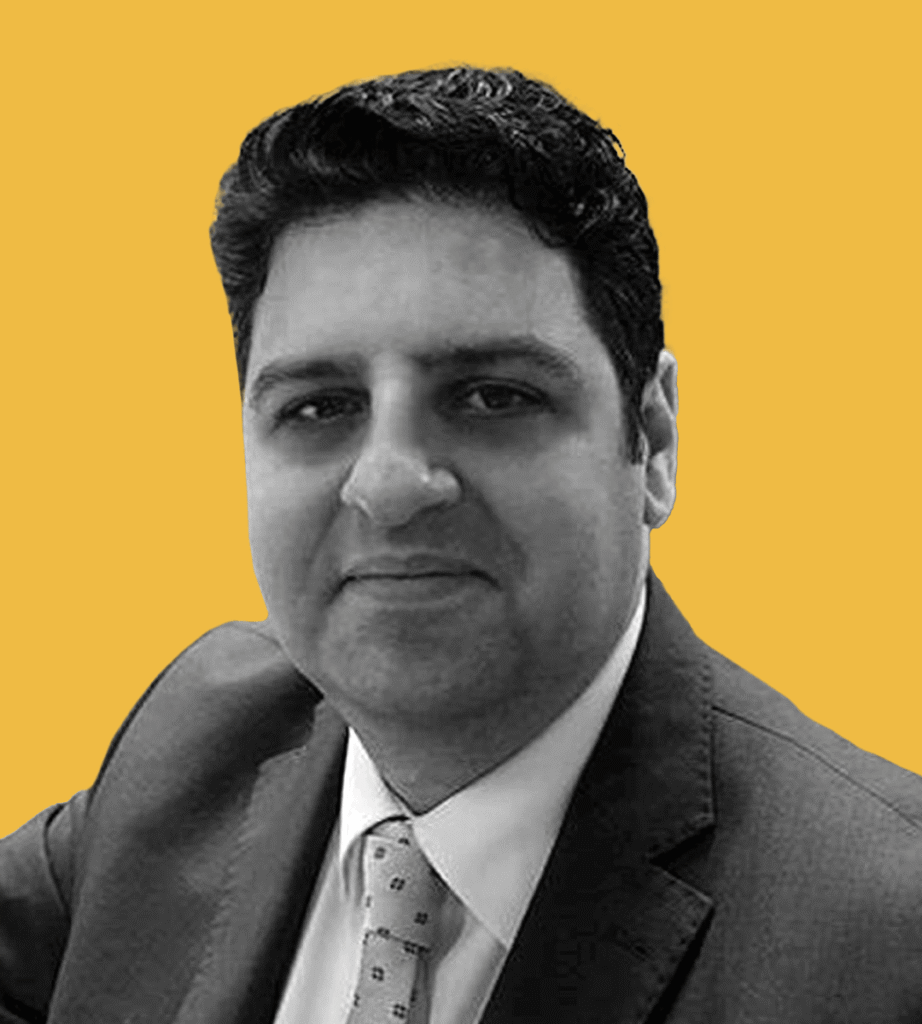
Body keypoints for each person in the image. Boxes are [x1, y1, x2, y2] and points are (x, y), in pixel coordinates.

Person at [2, 66, 921, 1024]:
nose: (390, 485)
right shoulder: (200, 736)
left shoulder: (890, 936)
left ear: (651, 440)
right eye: (320, 407)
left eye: (493, 396)